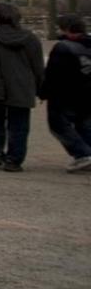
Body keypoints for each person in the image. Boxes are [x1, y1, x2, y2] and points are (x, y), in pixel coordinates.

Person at [0, 2, 45, 172]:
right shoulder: (30, 38)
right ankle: (14, 160)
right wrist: (41, 89)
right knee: (20, 126)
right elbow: (37, 67)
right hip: (23, 87)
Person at [38, 15, 91, 172]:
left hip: (64, 95)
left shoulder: (63, 48)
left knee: (58, 125)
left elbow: (53, 75)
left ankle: (83, 153)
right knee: (85, 125)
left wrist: (43, 92)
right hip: (87, 94)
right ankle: (86, 151)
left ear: (66, 29)